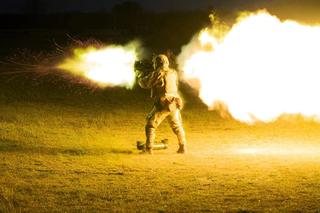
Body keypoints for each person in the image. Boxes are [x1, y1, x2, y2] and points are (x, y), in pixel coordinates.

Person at [138, 54, 187, 154]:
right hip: (175, 102)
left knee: (150, 124)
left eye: (155, 63)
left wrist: (140, 77)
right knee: (177, 126)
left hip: (164, 103)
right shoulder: (173, 72)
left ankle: (149, 149)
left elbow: (146, 83)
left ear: (158, 63)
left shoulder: (158, 72)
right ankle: (183, 147)